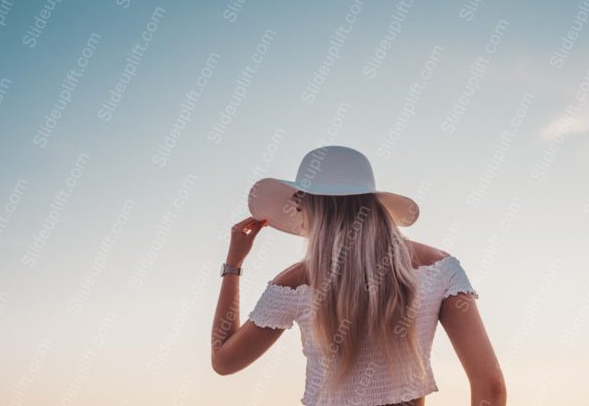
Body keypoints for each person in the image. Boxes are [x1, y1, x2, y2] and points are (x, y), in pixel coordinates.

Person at [210, 145, 507, 406]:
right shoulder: (440, 267)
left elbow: (224, 361)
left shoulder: (295, 283)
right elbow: (490, 386)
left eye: (300, 205)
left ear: (311, 207)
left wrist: (233, 264)